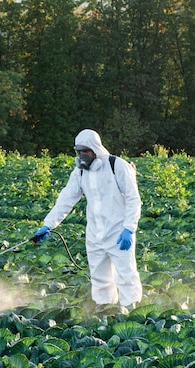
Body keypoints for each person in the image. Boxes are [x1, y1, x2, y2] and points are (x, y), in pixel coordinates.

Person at [34, 129, 142, 313]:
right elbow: (66, 199)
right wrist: (48, 224)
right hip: (95, 234)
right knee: (100, 278)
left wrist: (129, 229)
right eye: (79, 151)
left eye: (85, 151)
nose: (82, 155)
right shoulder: (80, 173)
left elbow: (133, 199)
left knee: (126, 275)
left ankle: (131, 311)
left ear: (94, 149)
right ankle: (105, 311)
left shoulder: (117, 165)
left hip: (118, 232)